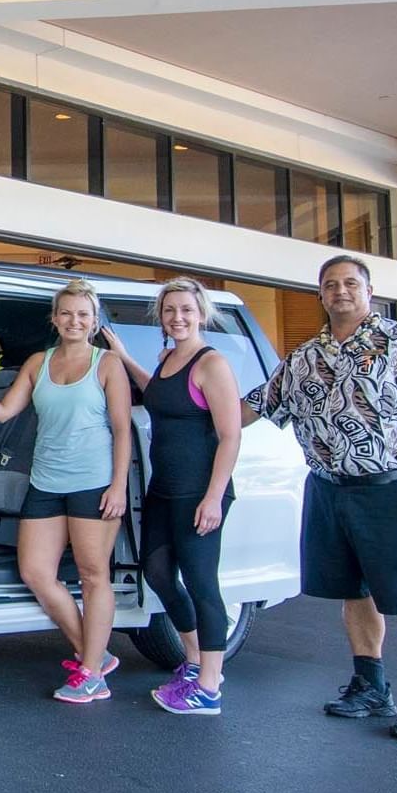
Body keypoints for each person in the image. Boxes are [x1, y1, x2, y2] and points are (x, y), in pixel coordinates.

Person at [242, 255, 397, 741]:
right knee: (354, 591)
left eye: (350, 283)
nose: (340, 291)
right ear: (320, 294)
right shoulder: (303, 358)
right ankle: (370, 684)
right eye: (330, 285)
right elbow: (251, 408)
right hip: (328, 489)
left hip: (392, 488)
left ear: (368, 290)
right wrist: (167, 405)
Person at [0, 278, 133, 704]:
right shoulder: (38, 362)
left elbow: (123, 429)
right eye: (66, 313)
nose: (74, 321)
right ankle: (97, 656)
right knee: (35, 571)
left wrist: (119, 486)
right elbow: (3, 411)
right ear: (54, 318)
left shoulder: (106, 364)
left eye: (83, 314)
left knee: (93, 577)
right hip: (46, 481)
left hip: (95, 483)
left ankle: (89, 674)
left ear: (94, 320)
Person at [103, 278, 241, 716]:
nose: (177, 318)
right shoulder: (166, 360)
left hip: (200, 492)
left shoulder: (211, 364)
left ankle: (210, 686)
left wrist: (214, 498)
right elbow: (159, 393)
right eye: (169, 311)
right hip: (163, 489)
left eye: (185, 310)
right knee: (158, 574)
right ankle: (194, 658)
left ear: (201, 313)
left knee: (202, 584)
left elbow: (230, 435)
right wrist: (125, 358)